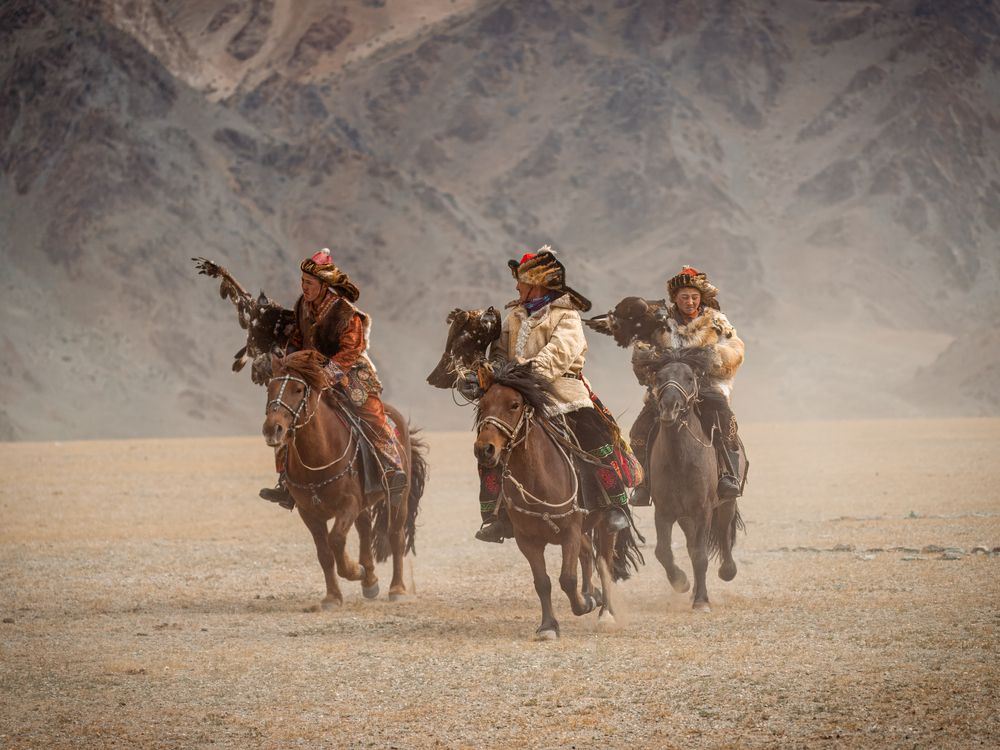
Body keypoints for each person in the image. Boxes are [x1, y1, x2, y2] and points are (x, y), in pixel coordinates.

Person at [475, 248, 638, 543]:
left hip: (564, 393)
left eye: (521, 282)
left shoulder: (567, 316)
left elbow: (560, 352)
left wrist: (525, 373)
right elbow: (500, 354)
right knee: (490, 444)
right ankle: (497, 516)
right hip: (519, 398)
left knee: (596, 440)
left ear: (537, 284)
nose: (517, 288)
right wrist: (487, 374)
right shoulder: (514, 317)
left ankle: (616, 506)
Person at [259, 249, 406, 509]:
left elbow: (351, 350)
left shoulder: (346, 313)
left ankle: (391, 467)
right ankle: (286, 480)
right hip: (310, 370)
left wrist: (326, 374)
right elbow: (297, 339)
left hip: (348, 371)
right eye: (302, 281)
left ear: (324, 285)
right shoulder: (302, 305)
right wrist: (286, 359)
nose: (304, 287)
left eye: (309, 283)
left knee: (370, 410)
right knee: (285, 410)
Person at [628, 266, 746, 505]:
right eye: (684, 297)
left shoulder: (716, 320)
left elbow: (735, 348)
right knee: (639, 430)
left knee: (724, 422)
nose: (690, 302)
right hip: (668, 386)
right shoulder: (659, 322)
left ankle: (726, 476)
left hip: (706, 384)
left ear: (701, 298)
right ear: (675, 298)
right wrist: (649, 364)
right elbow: (641, 350)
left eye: (694, 297)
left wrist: (713, 357)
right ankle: (644, 485)